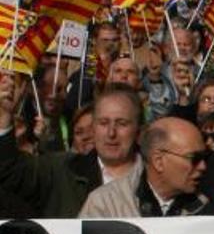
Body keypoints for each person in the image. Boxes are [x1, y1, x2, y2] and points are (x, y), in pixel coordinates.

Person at [0, 80, 142, 218]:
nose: (111, 133)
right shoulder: (60, 170)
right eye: (103, 123)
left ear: (138, 130)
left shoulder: (157, 176)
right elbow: (10, 173)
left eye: (122, 123)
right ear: (94, 128)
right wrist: (4, 116)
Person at [79, 117, 210, 217]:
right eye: (194, 159)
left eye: (205, 157)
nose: (203, 166)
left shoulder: (210, 206)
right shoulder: (106, 205)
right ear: (159, 161)